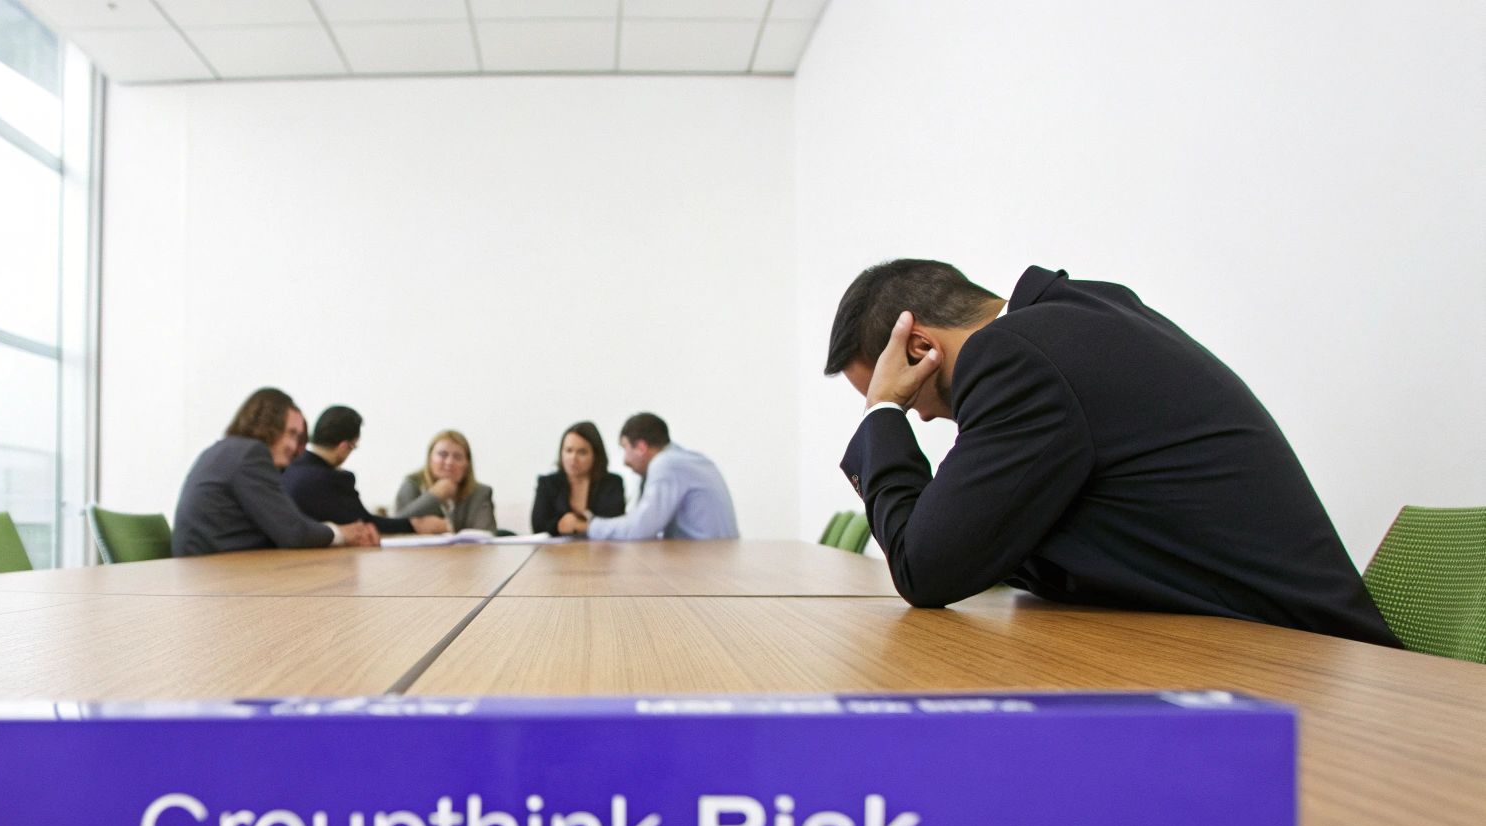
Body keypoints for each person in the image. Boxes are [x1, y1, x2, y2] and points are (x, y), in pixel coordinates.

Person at [827, 259, 1398, 646]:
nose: (922, 415)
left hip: (1297, 662)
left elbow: (925, 570)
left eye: (908, 395)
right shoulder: (1073, 323)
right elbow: (984, 544)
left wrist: (882, 414)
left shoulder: (1015, 356)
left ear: (919, 347)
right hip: (1262, 643)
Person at [172, 388, 379, 556]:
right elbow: (294, 532)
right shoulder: (252, 454)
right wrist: (343, 533)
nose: (294, 446)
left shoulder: (227, 451)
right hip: (216, 574)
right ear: (267, 425)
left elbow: (287, 527)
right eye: (291, 433)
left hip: (208, 569)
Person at [560, 413, 738, 541]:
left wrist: (586, 526)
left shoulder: (666, 464)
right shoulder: (685, 460)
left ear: (641, 447)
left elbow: (641, 528)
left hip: (706, 563)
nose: (625, 461)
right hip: (715, 555)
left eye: (625, 448)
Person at [284, 406, 449, 536]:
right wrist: (414, 525)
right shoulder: (334, 479)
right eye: (353, 447)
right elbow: (365, 524)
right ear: (344, 446)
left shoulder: (287, 469)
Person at [531, 421, 627, 536]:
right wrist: (559, 525)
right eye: (568, 450)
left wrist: (579, 525)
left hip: (600, 546)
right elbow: (538, 526)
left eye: (582, 452)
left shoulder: (612, 483)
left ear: (595, 455)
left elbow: (614, 524)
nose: (573, 458)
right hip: (557, 547)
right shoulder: (547, 483)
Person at [394, 430, 498, 532]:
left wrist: (449, 528)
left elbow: (486, 535)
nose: (449, 462)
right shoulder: (412, 485)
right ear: (430, 459)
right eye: (443, 454)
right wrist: (434, 495)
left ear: (467, 464)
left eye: (457, 457)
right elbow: (394, 526)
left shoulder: (480, 493)